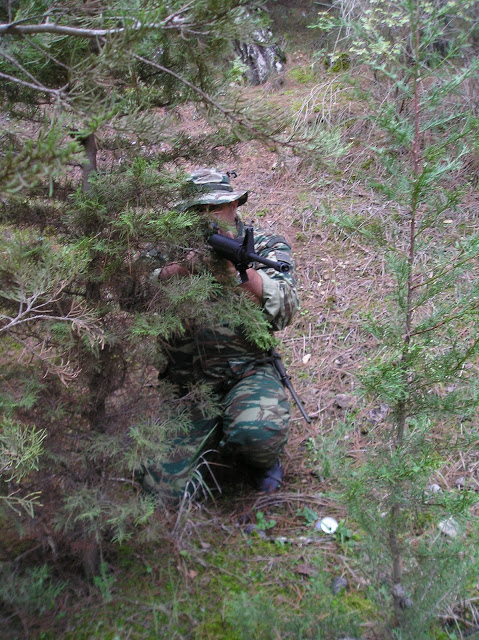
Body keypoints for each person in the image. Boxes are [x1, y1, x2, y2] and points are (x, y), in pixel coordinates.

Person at [140, 168, 299, 502]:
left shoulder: (266, 246)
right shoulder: (165, 249)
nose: (207, 219)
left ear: (235, 204)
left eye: (215, 208)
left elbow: (285, 310)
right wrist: (183, 269)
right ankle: (207, 451)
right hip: (188, 386)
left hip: (247, 373)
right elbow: (133, 293)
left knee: (258, 434)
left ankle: (256, 457)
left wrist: (238, 274)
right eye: (196, 211)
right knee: (160, 488)